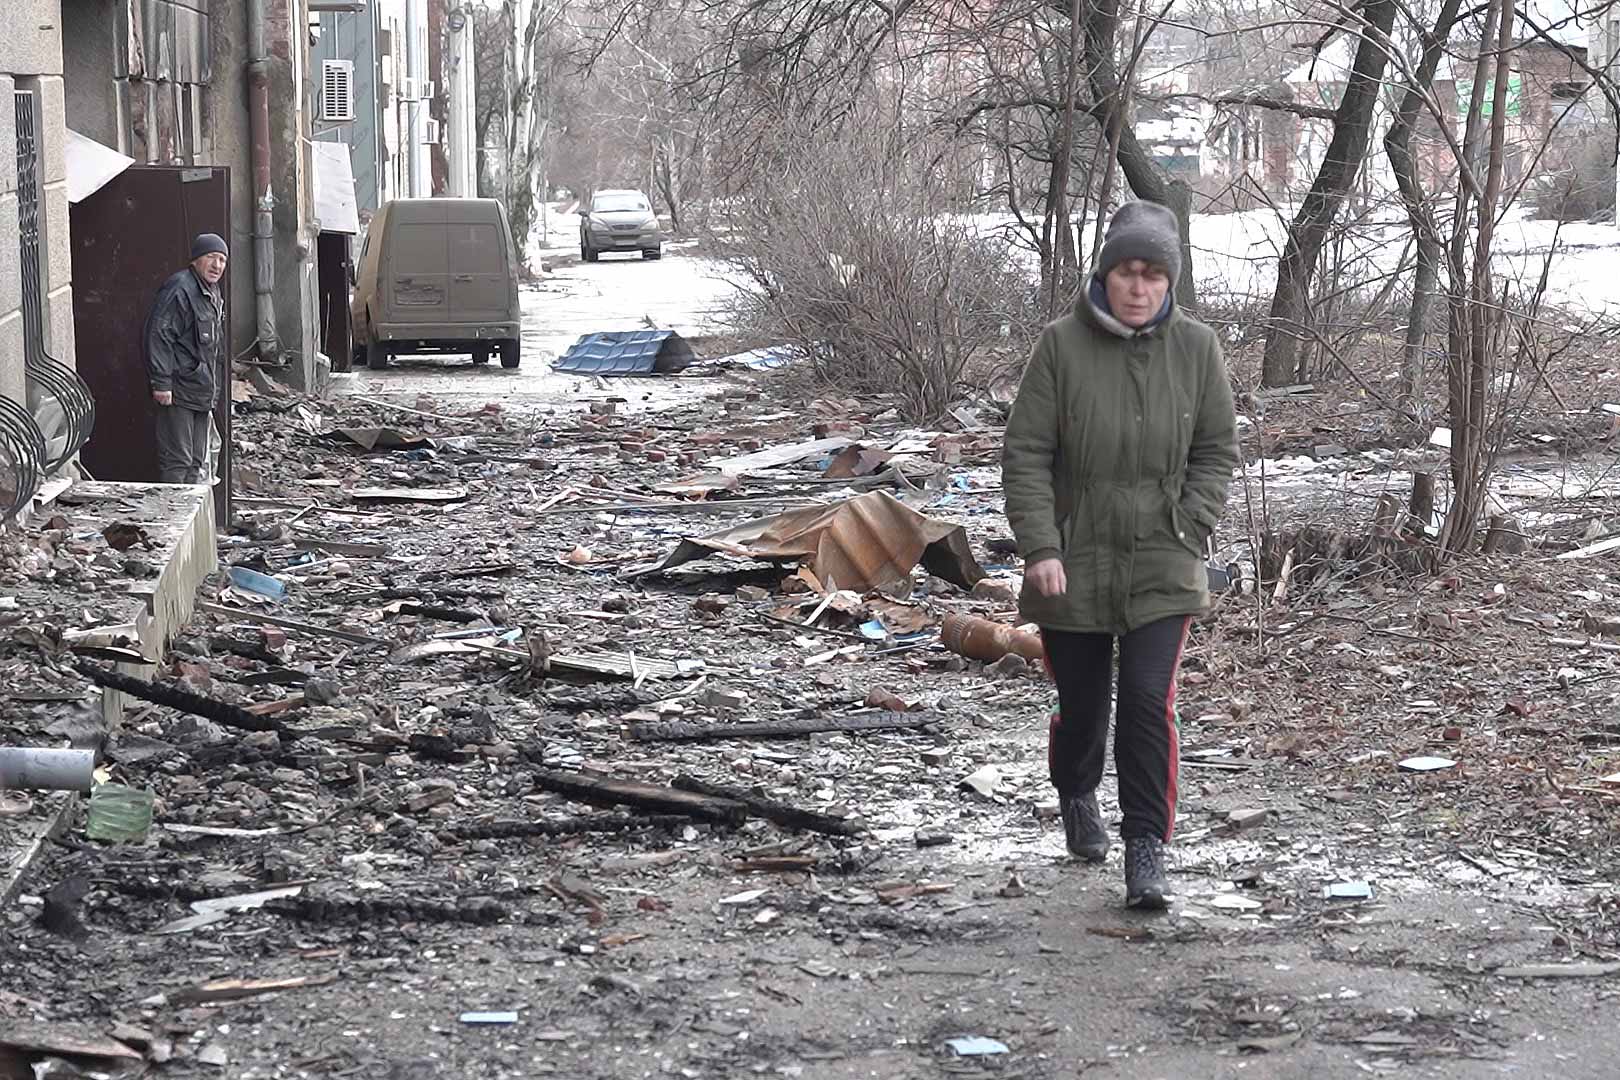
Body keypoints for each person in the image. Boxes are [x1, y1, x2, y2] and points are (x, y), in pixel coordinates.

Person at [1002, 201, 1238, 909]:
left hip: (1164, 556)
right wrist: (1040, 545)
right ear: (1104, 275)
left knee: (1144, 701)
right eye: (1127, 273)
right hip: (1072, 556)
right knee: (1083, 706)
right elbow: (1026, 454)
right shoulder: (1060, 346)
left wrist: (1191, 521)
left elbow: (1216, 451)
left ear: (1170, 283)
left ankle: (1146, 849)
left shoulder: (1196, 350)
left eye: (1154, 275)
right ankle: (1077, 791)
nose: (1139, 288)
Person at [145, 233, 228, 484]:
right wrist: (162, 383)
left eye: (222, 260)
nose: (217, 265)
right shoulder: (181, 288)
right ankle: (173, 518)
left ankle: (191, 521)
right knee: (178, 460)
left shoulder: (211, 292)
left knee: (196, 462)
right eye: (211, 257)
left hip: (201, 392)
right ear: (195, 260)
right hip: (180, 389)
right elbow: (160, 333)